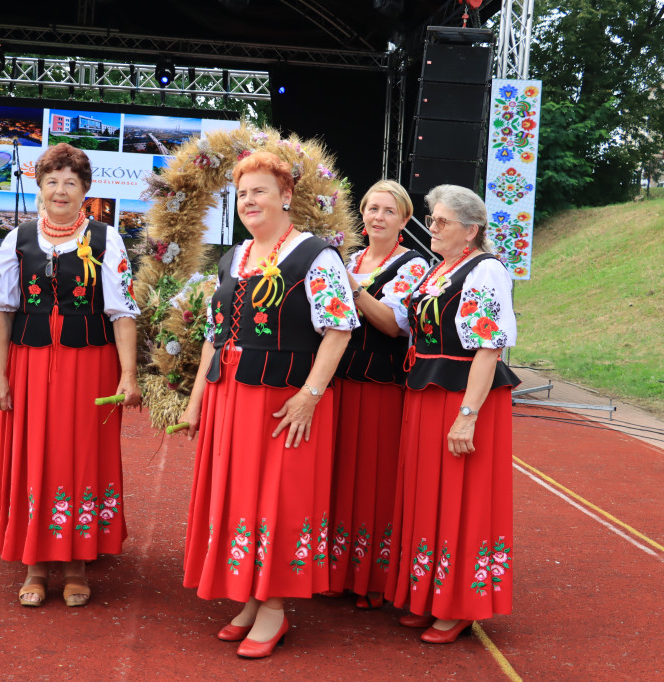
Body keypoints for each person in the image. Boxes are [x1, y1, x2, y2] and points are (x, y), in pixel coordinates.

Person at [178, 151, 357, 658]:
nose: (249, 201)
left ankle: (275, 608)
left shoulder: (316, 255)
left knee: (279, 498)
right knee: (239, 495)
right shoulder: (233, 257)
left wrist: (309, 397)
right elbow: (216, 335)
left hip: (283, 402)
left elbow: (339, 330)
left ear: (286, 196)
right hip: (230, 395)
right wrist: (196, 402)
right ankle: (253, 599)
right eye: (242, 194)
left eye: (259, 190)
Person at [0, 143, 141, 608]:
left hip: (91, 366)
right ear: (39, 187)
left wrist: (129, 375)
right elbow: (3, 311)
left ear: (85, 191)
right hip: (30, 363)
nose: (60, 190)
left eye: (70, 182)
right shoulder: (17, 240)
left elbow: (123, 312)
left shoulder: (106, 239)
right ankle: (35, 564)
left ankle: (76, 564)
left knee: (83, 453)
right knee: (34, 452)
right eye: (52, 181)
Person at [384, 184, 519, 643]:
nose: (432, 228)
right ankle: (429, 594)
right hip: (426, 392)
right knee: (428, 495)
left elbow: (489, 346)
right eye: (432, 219)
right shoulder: (442, 269)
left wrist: (468, 414)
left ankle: (462, 602)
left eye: (441, 221)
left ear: (471, 230)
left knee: (463, 498)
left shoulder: (485, 272)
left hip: (461, 396)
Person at [327, 180, 428, 607]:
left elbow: (392, 324)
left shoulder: (414, 266)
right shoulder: (351, 258)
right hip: (339, 379)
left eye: (388, 210)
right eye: (371, 208)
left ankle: (372, 576)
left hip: (381, 385)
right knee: (338, 472)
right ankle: (333, 571)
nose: (377, 217)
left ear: (405, 219)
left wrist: (350, 285)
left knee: (374, 476)